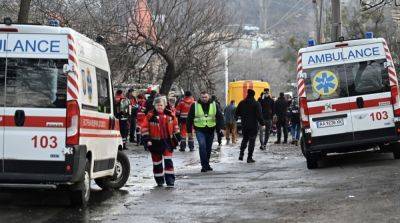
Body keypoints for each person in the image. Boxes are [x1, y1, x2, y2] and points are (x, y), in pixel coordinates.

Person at [141, 96, 181, 187]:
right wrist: (147, 140)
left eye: (161, 105)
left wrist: (178, 137)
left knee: (168, 161)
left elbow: (175, 126)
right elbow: (144, 128)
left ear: (165, 105)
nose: (160, 107)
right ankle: (159, 180)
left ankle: (170, 181)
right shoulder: (150, 116)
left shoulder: (170, 114)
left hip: (167, 141)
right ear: (154, 106)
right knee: (157, 162)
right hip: (155, 142)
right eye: (158, 105)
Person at [187, 92, 224, 172]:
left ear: (209, 97)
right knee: (202, 146)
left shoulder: (214, 105)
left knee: (208, 148)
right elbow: (189, 118)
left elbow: (219, 116)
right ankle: (204, 165)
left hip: (210, 129)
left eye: (205, 97)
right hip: (199, 129)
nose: (204, 99)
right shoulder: (195, 105)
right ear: (200, 97)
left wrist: (221, 128)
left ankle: (207, 164)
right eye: (202, 97)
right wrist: (189, 131)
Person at [236, 89, 265, 163]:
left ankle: (241, 154)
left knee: (245, 139)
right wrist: (262, 123)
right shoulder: (256, 104)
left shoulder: (242, 103)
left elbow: (237, 113)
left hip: (244, 125)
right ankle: (249, 157)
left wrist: (242, 115)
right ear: (254, 95)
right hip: (253, 125)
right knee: (252, 141)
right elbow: (259, 115)